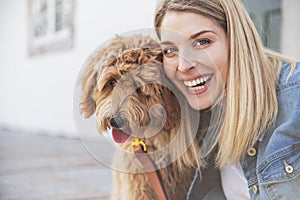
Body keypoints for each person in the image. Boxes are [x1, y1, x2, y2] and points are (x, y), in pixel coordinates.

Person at [154, 0, 300, 199]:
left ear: (236, 39)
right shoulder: (200, 121)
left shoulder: (294, 97)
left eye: (202, 42)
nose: (183, 65)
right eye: (170, 50)